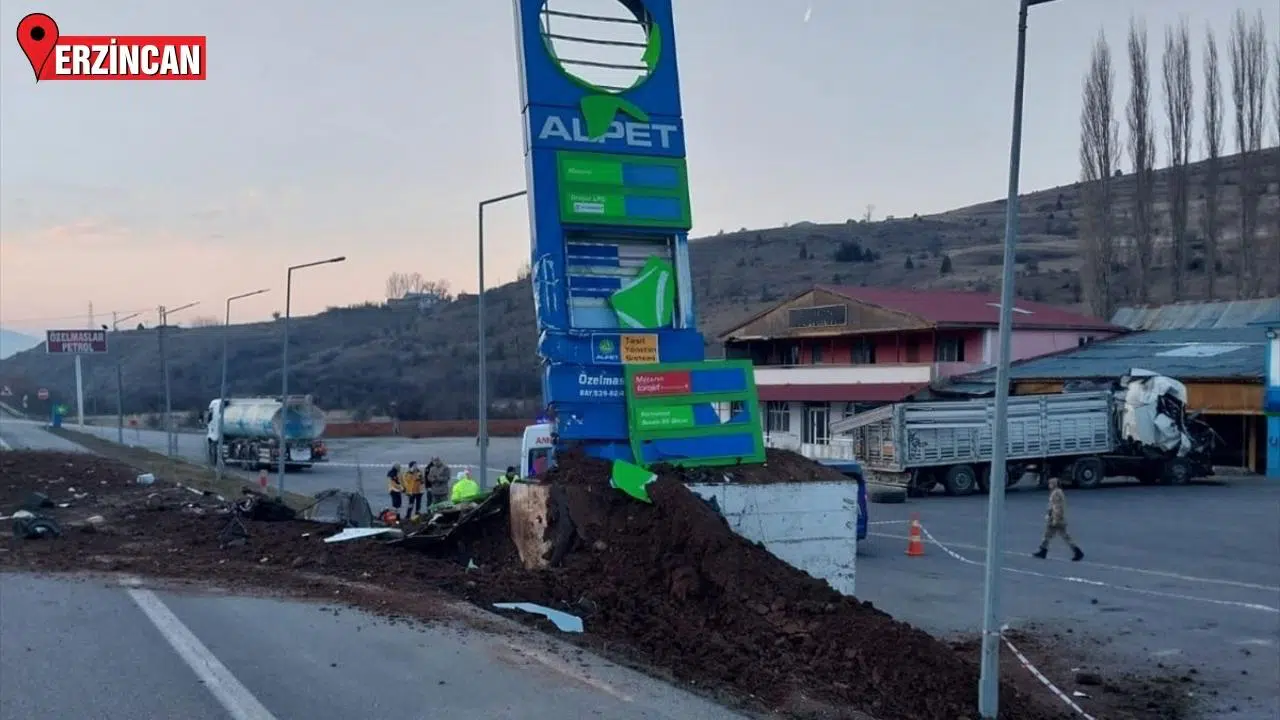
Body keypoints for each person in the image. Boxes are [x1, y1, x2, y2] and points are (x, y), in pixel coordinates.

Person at [1033, 477, 1083, 561]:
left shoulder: (1056, 493)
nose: (1049, 485)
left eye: (1050, 483)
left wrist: (1055, 519)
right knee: (1048, 535)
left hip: (1056, 519)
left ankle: (1077, 551)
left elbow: (1057, 507)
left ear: (1053, 484)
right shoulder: (1057, 492)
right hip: (1054, 518)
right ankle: (1043, 550)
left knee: (1063, 536)